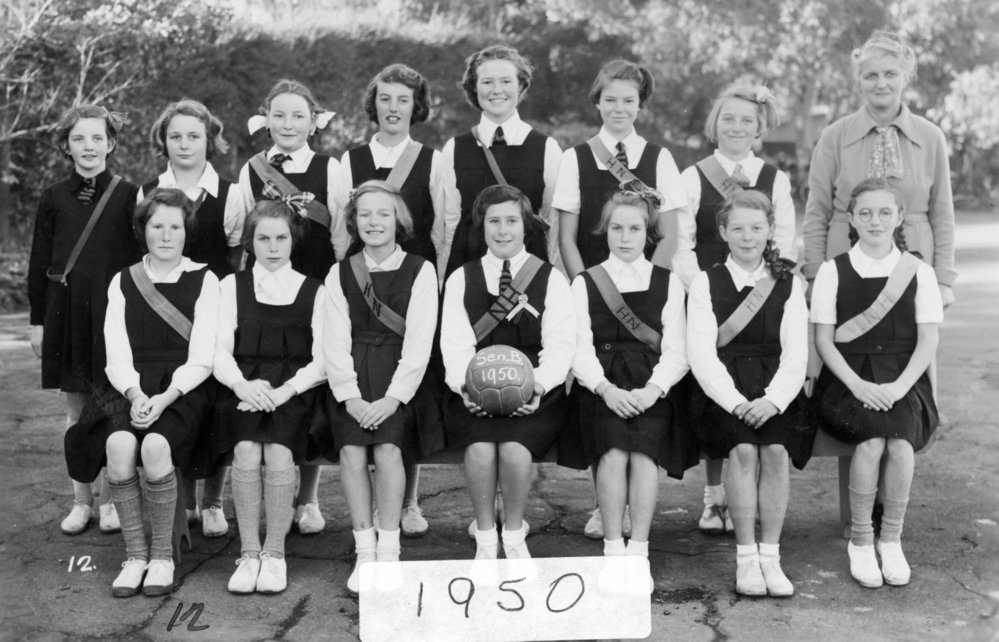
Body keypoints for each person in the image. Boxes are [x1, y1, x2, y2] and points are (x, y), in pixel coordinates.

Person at [553, 58, 690, 539]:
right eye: (609, 98)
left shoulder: (660, 158)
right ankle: (604, 506)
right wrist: (582, 289)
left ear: (640, 105)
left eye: (628, 100)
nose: (618, 108)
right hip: (593, 289)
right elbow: (566, 238)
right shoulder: (576, 158)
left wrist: (653, 287)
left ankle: (638, 517)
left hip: (647, 296)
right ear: (597, 101)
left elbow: (670, 236)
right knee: (602, 405)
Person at [65, 189, 219, 597]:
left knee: (153, 447)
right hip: (130, 384)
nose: (166, 235)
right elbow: (115, 352)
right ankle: (135, 555)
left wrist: (165, 398)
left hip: (184, 388)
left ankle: (162, 556)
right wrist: (134, 394)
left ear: (187, 231)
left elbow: (203, 357)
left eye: (175, 226)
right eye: (156, 226)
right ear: (143, 229)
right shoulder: (124, 280)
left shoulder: (206, 279)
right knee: (117, 444)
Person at [675, 83, 794, 535]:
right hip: (710, 295)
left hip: (761, 293)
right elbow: (681, 244)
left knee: (754, 387)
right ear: (714, 125)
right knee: (713, 389)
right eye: (728, 119)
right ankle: (713, 497)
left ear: (759, 128)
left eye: (747, 121)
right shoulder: (693, 177)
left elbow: (784, 241)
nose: (737, 128)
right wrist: (706, 287)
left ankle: (752, 499)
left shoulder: (775, 178)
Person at [811, 178, 941, 589]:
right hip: (848, 379)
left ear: (900, 217)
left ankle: (892, 539)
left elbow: (928, 340)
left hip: (904, 378)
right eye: (864, 212)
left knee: (899, 443)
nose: (875, 221)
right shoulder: (833, 271)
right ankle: (862, 541)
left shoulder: (919, 272)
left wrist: (902, 386)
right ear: (851, 218)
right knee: (870, 441)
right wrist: (857, 385)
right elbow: (823, 340)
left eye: (885, 212)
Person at [340, 64, 448, 536]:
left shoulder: (433, 159)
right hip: (366, 282)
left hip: (414, 281)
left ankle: (408, 501)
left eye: (403, 100)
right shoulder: (351, 159)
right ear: (374, 104)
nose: (394, 108)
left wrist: (436, 287)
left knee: (408, 393)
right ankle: (375, 506)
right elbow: (342, 233)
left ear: (416, 106)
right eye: (385, 99)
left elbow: (443, 230)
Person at [237, 79, 348, 533]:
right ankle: (262, 498)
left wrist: (337, 287)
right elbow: (246, 232)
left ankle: (308, 497)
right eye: (279, 115)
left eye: (297, 115)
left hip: (316, 283)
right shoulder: (252, 169)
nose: (288, 124)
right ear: (267, 119)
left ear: (313, 122)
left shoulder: (331, 166)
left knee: (309, 387)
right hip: (267, 291)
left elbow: (341, 230)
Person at [440, 184, 575, 560]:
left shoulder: (551, 279)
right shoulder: (460, 278)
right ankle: (485, 536)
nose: (503, 230)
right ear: (480, 226)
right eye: (494, 221)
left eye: (511, 221)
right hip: (474, 392)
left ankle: (513, 533)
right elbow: (455, 345)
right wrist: (466, 387)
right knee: (481, 450)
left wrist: (537, 387)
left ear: (525, 226)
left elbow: (560, 346)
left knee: (515, 450)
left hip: (535, 395)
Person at [686, 190, 810, 597]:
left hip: (776, 386)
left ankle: (771, 557)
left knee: (774, 451)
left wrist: (773, 400)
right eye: (737, 228)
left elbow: (796, 353)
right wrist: (737, 402)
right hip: (725, 388)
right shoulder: (707, 282)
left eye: (756, 228)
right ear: (722, 231)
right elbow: (702, 356)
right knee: (741, 450)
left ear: (771, 230)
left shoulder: (788, 283)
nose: (747, 237)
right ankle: (746, 559)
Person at [320, 180, 441, 593]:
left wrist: (394, 397)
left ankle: (389, 551)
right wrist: (350, 396)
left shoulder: (421, 269)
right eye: (365, 214)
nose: (374, 222)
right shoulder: (339, 273)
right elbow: (332, 340)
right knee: (352, 449)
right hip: (352, 374)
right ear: (354, 222)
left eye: (383, 214)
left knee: (389, 448)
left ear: (398, 220)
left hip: (401, 378)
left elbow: (420, 342)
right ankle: (365, 550)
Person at [28, 104, 139, 535]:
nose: (88, 146)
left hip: (112, 316)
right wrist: (38, 321)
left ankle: (113, 500)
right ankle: (82, 500)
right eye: (79, 138)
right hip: (66, 313)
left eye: (96, 138)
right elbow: (40, 260)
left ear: (110, 144)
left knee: (114, 411)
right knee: (76, 411)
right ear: (66, 145)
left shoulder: (129, 194)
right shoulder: (53, 196)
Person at [566, 190, 691, 570]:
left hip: (651, 385)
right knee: (615, 451)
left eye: (634, 228)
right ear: (605, 232)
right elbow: (577, 348)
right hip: (601, 386)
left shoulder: (667, 282)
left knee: (643, 454)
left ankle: (638, 550)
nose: (625, 237)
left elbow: (678, 350)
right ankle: (612, 548)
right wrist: (605, 390)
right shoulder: (585, 282)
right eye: (617, 228)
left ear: (648, 233)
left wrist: (654, 390)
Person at [142, 98, 247, 537]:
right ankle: (182, 500)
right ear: (163, 142)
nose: (185, 144)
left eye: (194, 135)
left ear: (210, 140)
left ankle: (213, 501)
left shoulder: (231, 192)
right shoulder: (147, 190)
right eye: (175, 136)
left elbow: (237, 253)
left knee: (217, 404)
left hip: (215, 306)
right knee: (176, 398)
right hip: (165, 311)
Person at [214, 199, 327, 594]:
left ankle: (275, 554)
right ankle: (249, 553)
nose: (273, 247)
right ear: (250, 242)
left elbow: (323, 358)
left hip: (294, 390)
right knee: (245, 448)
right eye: (263, 238)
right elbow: (218, 349)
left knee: (278, 451)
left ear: (292, 240)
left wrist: (284, 392)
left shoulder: (314, 289)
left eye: (281, 238)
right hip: (244, 385)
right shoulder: (231, 286)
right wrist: (241, 385)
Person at [803, 29, 956, 308]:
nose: (881, 84)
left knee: (911, 344)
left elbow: (943, 213)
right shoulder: (834, 136)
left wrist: (943, 280)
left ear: (905, 77)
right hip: (844, 258)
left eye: (890, 74)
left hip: (915, 257)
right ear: (858, 81)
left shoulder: (931, 137)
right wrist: (814, 275)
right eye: (870, 76)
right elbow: (817, 211)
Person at [441, 45, 562, 278]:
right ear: (474, 88)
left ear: (521, 85)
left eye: (506, 81)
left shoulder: (547, 148)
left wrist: (544, 275)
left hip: (527, 270)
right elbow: (451, 221)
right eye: (487, 82)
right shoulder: (454, 148)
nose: (497, 90)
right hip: (469, 268)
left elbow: (551, 222)